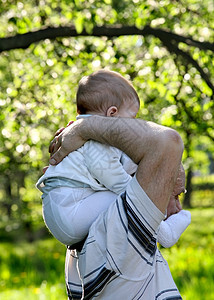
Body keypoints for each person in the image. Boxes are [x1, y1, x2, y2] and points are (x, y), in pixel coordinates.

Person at [37, 69, 190, 249]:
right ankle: (166, 233)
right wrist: (140, 192)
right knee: (131, 200)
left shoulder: (79, 136)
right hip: (71, 211)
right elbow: (109, 173)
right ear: (112, 114)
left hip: (64, 211)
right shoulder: (95, 140)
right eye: (132, 118)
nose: (133, 124)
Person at [48, 110, 186, 299]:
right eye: (176, 195)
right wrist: (84, 127)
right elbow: (168, 142)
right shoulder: (123, 227)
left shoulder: (93, 232)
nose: (179, 208)